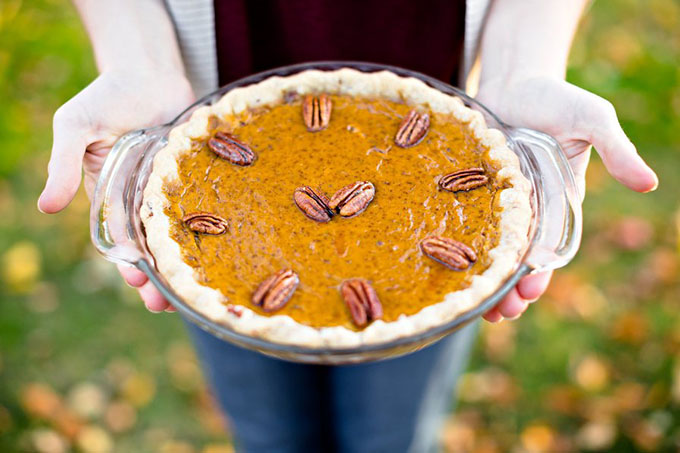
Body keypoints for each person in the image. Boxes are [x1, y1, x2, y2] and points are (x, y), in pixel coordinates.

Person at [39, 1, 658, 451]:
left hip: (444, 115)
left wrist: (521, 70)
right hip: (192, 113)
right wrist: (138, 61)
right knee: (267, 430)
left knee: (392, 434)